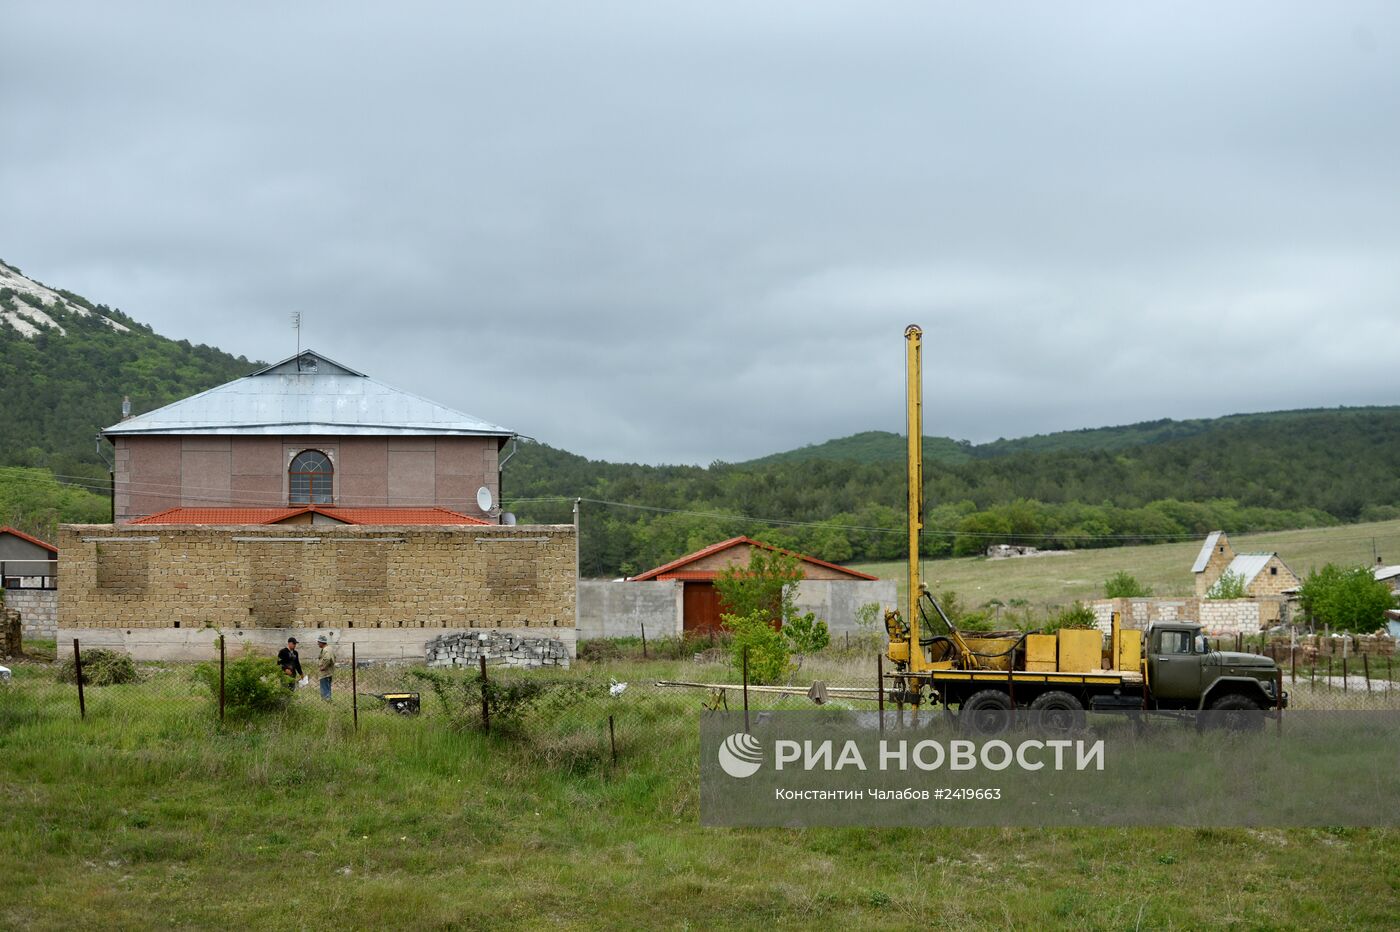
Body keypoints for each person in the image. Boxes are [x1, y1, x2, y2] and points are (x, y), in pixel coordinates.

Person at [316, 634, 335, 701]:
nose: (318, 644)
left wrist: (323, 667)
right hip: (330, 672)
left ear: (321, 642)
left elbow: (327, 658)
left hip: (325, 673)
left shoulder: (325, 650)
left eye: (318, 642)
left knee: (324, 688)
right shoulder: (330, 648)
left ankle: (326, 701)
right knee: (328, 687)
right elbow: (333, 658)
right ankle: (328, 700)